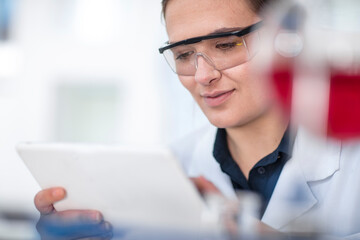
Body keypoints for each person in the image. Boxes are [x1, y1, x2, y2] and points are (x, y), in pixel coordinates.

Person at [34, 0, 360, 239]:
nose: (203, 76)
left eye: (226, 44)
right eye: (184, 55)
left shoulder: (351, 156)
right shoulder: (173, 166)